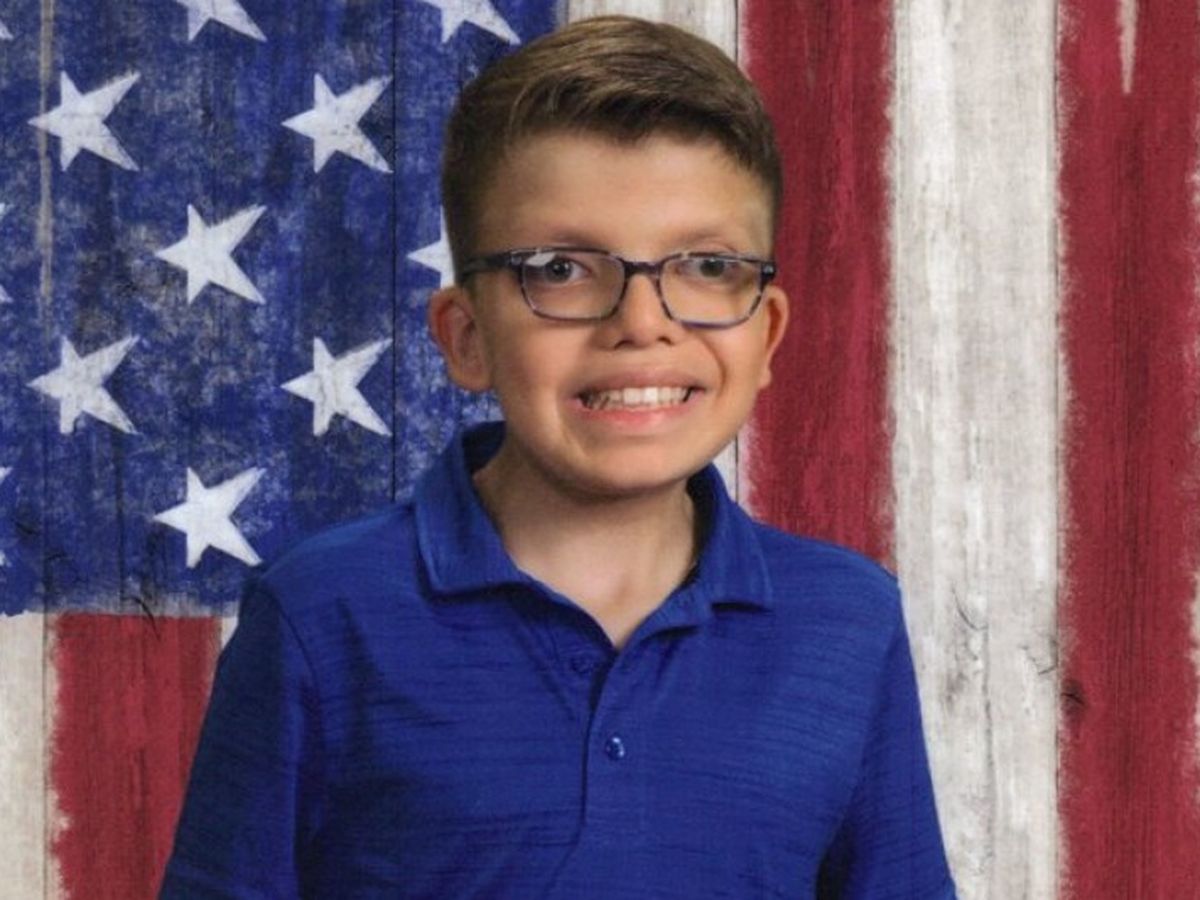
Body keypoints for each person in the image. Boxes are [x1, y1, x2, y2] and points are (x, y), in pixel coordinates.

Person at [160, 15, 956, 899]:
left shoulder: (848, 619)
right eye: (561, 269)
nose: (643, 324)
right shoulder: (321, 612)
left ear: (765, 334)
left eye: (705, 265)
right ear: (466, 337)